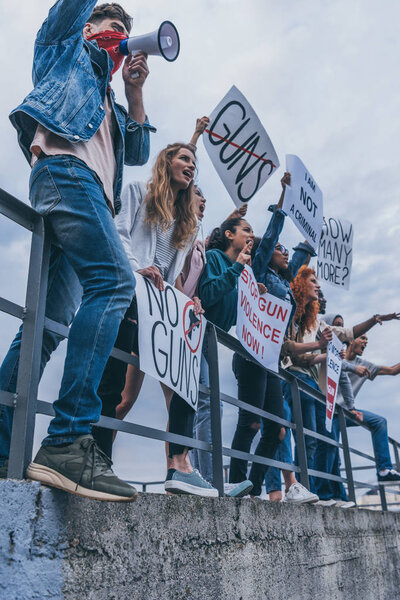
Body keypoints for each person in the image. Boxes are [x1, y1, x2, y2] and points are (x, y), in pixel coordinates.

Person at [0, 1, 154, 501]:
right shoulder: (65, 53)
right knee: (114, 281)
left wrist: (133, 91)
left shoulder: (106, 97)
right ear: (88, 28)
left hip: (90, 198)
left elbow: (139, 152)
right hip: (67, 175)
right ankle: (67, 439)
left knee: (46, 327)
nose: (123, 36)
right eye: (115, 28)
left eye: (128, 31)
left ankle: (2, 444)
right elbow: (65, 15)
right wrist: (91, 26)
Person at [92, 142, 222, 497]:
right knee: (115, 385)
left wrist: (188, 301)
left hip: (161, 309)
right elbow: (117, 233)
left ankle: (178, 466)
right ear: (166, 162)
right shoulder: (137, 191)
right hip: (132, 297)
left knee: (185, 383)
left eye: (194, 161)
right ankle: (98, 458)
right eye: (184, 158)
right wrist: (138, 269)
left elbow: (175, 274)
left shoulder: (188, 225)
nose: (191, 165)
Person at [230, 173, 324, 501]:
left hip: (271, 361)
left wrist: (313, 238)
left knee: (277, 428)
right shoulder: (258, 269)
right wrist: (283, 198)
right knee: (251, 423)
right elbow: (270, 239)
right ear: (267, 254)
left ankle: (252, 486)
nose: (284, 254)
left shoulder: (282, 280)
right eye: (280, 251)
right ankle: (235, 483)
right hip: (250, 355)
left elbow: (297, 259)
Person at [343, 331, 400, 484]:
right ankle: (336, 492)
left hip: (349, 412)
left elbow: (392, 371)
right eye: (362, 338)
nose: (365, 342)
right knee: (330, 449)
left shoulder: (364, 365)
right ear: (351, 340)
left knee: (379, 421)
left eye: (367, 340)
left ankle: (384, 470)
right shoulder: (336, 357)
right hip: (329, 410)